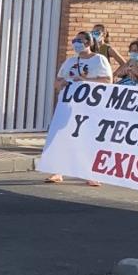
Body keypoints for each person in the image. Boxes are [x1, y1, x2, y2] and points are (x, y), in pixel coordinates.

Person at [46, 31, 112, 186]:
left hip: (90, 107)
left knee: (87, 139)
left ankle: (90, 173)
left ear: (88, 43)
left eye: (80, 40)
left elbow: (107, 81)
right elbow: (58, 81)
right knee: (62, 138)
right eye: (74, 40)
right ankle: (58, 171)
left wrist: (84, 80)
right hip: (69, 107)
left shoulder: (99, 60)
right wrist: (61, 84)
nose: (76, 43)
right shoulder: (69, 61)